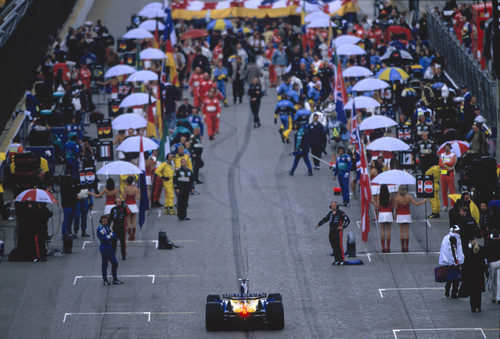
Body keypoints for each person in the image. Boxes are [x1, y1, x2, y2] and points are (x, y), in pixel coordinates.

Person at [314, 201, 351, 265]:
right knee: (333, 245)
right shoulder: (331, 213)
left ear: (337, 206)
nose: (333, 207)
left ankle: (342, 260)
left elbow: (347, 220)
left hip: (338, 231)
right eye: (332, 205)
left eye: (334, 205)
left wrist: (343, 226)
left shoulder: (341, 213)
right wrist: (318, 225)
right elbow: (325, 219)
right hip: (331, 230)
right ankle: (337, 259)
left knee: (339, 245)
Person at [394, 185, 426, 252]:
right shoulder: (408, 196)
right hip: (407, 215)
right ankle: (407, 246)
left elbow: (396, 207)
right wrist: (423, 201)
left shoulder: (397, 197)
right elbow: (416, 204)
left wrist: (395, 215)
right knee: (406, 231)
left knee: (401, 231)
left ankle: (403, 246)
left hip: (400, 215)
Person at [439, 225, 464, 299]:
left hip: (448, 261)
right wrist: (457, 261)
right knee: (456, 279)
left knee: (450, 276)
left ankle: (447, 288)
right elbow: (455, 251)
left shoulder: (446, 237)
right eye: (457, 231)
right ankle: (453, 294)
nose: (458, 232)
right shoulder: (454, 238)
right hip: (454, 262)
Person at [96, 215, 123, 286]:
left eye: (106, 221)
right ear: (101, 222)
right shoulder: (100, 229)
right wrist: (110, 235)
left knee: (115, 262)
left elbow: (114, 236)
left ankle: (115, 279)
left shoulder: (107, 227)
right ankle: (105, 280)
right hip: (104, 247)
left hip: (109, 246)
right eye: (103, 221)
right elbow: (106, 238)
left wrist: (110, 235)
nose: (105, 222)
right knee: (105, 264)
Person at [463, 240, 487, 312]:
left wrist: (464, 275)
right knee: (478, 292)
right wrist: (486, 272)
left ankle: (473, 307)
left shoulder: (468, 252)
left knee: (472, 292)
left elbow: (465, 265)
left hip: (470, 275)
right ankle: (478, 306)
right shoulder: (481, 250)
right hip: (479, 274)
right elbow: (484, 262)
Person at [374, 184, 394, 253]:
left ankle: (383, 247)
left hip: (381, 213)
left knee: (382, 231)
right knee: (388, 231)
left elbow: (378, 206)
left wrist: (373, 202)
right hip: (388, 213)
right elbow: (392, 206)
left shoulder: (379, 196)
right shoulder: (391, 196)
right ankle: (388, 247)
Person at [439, 143, 456, 211]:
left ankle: (453, 205)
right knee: (443, 191)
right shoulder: (442, 155)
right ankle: (445, 205)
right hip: (443, 174)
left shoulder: (453, 155)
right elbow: (440, 164)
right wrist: (446, 165)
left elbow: (452, 163)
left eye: (448, 147)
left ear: (450, 148)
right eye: (446, 147)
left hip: (450, 174)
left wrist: (444, 163)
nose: (447, 148)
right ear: (444, 148)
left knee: (452, 190)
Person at [122, 176, 139, 241]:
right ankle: (133, 235)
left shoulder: (126, 188)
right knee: (134, 220)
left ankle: (130, 236)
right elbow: (137, 197)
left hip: (128, 205)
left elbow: (124, 198)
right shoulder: (135, 188)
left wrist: (121, 192)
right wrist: (139, 192)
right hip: (134, 204)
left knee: (128, 220)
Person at [485, 230, 500, 303]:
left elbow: (486, 255)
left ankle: (493, 297)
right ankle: (499, 297)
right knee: (499, 280)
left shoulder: (489, 244)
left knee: (493, 281)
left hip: (492, 263)